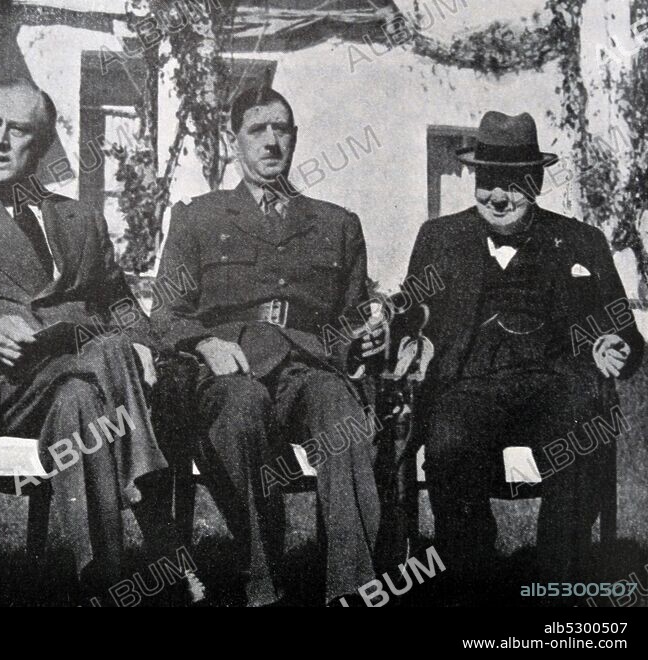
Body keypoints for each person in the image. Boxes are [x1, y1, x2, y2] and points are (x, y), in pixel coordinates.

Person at [0, 79, 200, 603]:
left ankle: (101, 580)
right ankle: (161, 534)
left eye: (19, 132)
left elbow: (122, 306)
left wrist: (142, 342)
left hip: (80, 385)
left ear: (45, 146)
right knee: (107, 353)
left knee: (86, 391)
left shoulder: (79, 219)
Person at [397, 110, 644, 604]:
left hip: (558, 382)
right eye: (489, 181)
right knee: (448, 448)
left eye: (515, 183)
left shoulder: (580, 241)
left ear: (536, 181)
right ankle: (475, 581)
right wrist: (407, 340)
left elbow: (627, 334)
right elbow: (408, 317)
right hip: (468, 383)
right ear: (474, 178)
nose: (500, 197)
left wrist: (614, 345)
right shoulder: (440, 239)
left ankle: (555, 579)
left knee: (585, 434)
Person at [154, 86, 387, 606]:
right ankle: (263, 585)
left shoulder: (336, 223)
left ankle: (352, 589)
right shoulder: (198, 217)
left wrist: (367, 333)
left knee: (342, 417)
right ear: (232, 139)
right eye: (257, 130)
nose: (271, 142)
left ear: (296, 139)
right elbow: (165, 314)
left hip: (308, 368)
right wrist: (204, 342)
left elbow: (350, 320)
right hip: (230, 368)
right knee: (240, 412)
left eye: (281, 129)